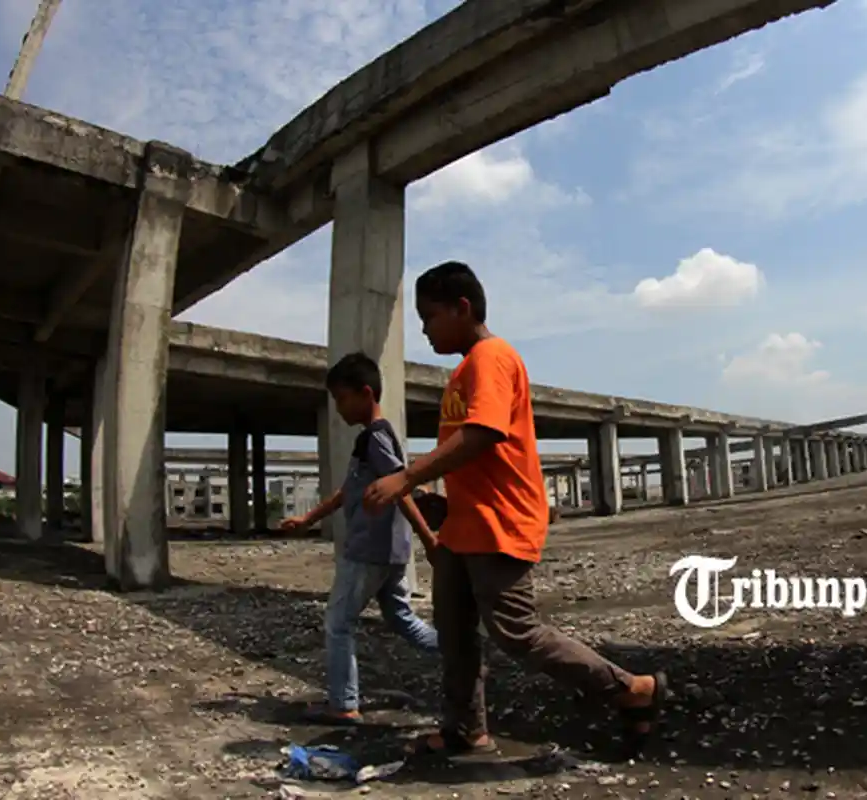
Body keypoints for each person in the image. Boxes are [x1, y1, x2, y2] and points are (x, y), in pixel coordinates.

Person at [362, 260, 668, 758]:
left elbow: (485, 433)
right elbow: (477, 454)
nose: (424, 329)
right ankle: (466, 729)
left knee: (516, 631)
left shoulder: (493, 357)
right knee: (455, 633)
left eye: (429, 316)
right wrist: (444, 503)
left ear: (462, 308)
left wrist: (409, 476)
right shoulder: (465, 369)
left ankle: (632, 689)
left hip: (498, 523)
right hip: (464, 525)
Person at [281, 352, 440, 724]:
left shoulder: (377, 437)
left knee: (339, 623)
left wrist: (429, 539)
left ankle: (343, 704)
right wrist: (308, 518)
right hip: (391, 552)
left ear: (366, 394)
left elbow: (401, 488)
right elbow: (346, 493)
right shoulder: (369, 440)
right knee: (401, 618)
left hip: (369, 551)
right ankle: (462, 652)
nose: (338, 408)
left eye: (342, 398)